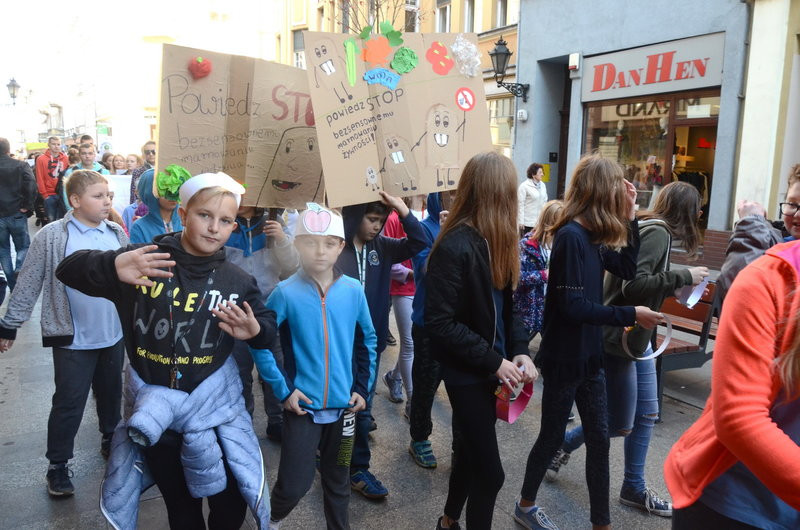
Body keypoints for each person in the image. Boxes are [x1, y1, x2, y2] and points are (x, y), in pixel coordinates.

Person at [55, 172, 276, 529]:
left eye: (225, 220)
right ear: (184, 213)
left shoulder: (237, 280)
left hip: (221, 419)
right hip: (162, 423)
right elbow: (67, 269)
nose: (213, 227)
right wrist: (111, 266)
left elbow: (268, 331)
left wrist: (255, 330)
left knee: (230, 509)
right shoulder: (145, 262)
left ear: (233, 225)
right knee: (182, 508)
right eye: (204, 215)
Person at [515, 154, 664, 530]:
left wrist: (632, 218)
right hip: (565, 358)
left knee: (600, 439)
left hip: (590, 356)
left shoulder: (593, 238)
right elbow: (573, 306)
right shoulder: (570, 237)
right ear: (600, 190)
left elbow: (628, 269)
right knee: (550, 436)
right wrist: (631, 315)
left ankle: (602, 524)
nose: (622, 191)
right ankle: (525, 505)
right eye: (617, 185)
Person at [545, 181, 708, 519]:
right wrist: (682, 275)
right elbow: (632, 284)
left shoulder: (652, 228)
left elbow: (641, 279)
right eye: (698, 207)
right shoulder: (658, 232)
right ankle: (564, 444)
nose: (701, 213)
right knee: (620, 422)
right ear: (687, 211)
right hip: (620, 337)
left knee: (646, 414)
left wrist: (673, 284)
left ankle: (633, 487)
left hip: (636, 338)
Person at [424, 152, 536, 529]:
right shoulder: (455, 244)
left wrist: (519, 351)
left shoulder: (497, 239)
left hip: (491, 370)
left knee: (471, 457)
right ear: (497, 193)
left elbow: (510, 309)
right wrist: (495, 361)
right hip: (466, 374)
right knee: (491, 475)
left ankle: (448, 521)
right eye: (510, 189)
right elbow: (439, 323)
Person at [0, 170, 127, 496]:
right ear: (75, 200)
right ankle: (58, 466)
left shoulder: (115, 231)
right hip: (73, 339)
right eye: (98, 196)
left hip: (113, 334)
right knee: (69, 402)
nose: (107, 201)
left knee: (112, 394)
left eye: (108, 195)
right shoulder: (54, 236)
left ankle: (110, 439)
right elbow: (29, 279)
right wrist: (10, 324)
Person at [252, 203, 377, 530]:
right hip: (302, 410)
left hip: (345, 411)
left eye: (328, 243)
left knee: (338, 480)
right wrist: (284, 391)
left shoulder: (353, 290)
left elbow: (368, 341)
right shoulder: (285, 292)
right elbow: (261, 343)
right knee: (295, 484)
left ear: (340, 247)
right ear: (296, 244)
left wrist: (362, 389)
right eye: (309, 241)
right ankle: (272, 518)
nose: (319, 251)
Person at [664, 240, 800, 528]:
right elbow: (740, 418)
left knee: (628, 418)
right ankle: (631, 487)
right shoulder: (768, 277)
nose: (795, 214)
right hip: (737, 504)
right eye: (793, 204)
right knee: (628, 418)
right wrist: (682, 278)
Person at [338, 193, 427, 499]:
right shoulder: (336, 247)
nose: (376, 227)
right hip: (337, 343)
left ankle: (357, 468)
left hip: (370, 343)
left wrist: (403, 211)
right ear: (354, 216)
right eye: (371, 219)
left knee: (362, 406)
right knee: (338, 406)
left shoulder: (383, 248)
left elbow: (419, 242)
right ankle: (334, 458)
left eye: (380, 220)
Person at [225, 205, 300, 441]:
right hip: (235, 313)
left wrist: (281, 239)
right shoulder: (227, 222)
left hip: (270, 310)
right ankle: (243, 421)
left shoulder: (275, 221)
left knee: (275, 369)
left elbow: (292, 265)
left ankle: (277, 420)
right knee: (239, 373)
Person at [718, 164, 800, 301]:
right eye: (792, 204)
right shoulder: (775, 240)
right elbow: (731, 290)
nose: (798, 214)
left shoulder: (761, 233)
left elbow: (746, 297)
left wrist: (751, 224)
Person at [407, 191, 447, 469]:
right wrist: (445, 236)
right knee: (426, 386)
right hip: (428, 323)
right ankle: (419, 437)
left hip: (458, 325)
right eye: (449, 195)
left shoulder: (468, 224)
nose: (455, 200)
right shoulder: (425, 228)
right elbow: (423, 268)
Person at [381, 207, 416, 414]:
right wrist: (413, 274)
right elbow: (388, 260)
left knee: (413, 343)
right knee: (410, 343)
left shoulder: (416, 215)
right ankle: (413, 401)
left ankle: (394, 376)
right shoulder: (391, 218)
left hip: (422, 286)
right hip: (402, 288)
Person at [514, 200, 563, 339]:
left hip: (550, 306)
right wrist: (543, 275)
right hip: (528, 309)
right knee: (521, 347)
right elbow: (516, 278)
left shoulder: (562, 244)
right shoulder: (526, 245)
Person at [0, 137, 36, 293]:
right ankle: (19, 267)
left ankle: (12, 284)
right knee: (23, 246)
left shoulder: (21, 165)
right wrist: (27, 205)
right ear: (8, 150)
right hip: (16, 212)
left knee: (3, 250)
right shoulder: (20, 165)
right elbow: (31, 184)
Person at [129, 168, 183, 244]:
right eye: (165, 189)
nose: (173, 194)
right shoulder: (140, 227)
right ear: (150, 193)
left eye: (175, 188)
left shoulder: (187, 221)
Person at [35, 136, 70, 222]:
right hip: (49, 195)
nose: (56, 146)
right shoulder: (41, 159)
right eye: (53, 144)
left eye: (58, 144)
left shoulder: (65, 158)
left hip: (63, 194)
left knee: (64, 220)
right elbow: (40, 177)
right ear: (48, 145)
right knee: (51, 222)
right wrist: (45, 195)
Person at [518, 162, 549, 235]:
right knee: (527, 243)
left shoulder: (543, 185)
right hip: (527, 223)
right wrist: (521, 221)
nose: (542, 174)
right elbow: (520, 204)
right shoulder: (524, 186)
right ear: (533, 174)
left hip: (540, 222)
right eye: (540, 172)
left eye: (542, 172)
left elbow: (545, 202)